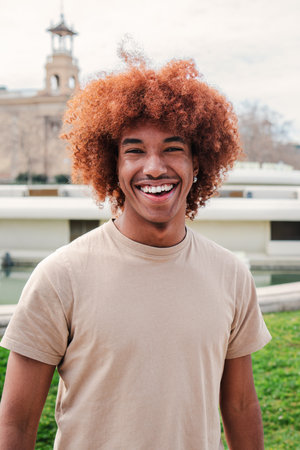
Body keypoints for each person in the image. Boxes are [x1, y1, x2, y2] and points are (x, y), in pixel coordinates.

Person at [0, 54, 271, 450]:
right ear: (113, 165)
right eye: (135, 151)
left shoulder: (231, 274)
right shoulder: (60, 276)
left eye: (173, 149)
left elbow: (242, 405)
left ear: (198, 163)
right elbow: (18, 423)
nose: (155, 167)